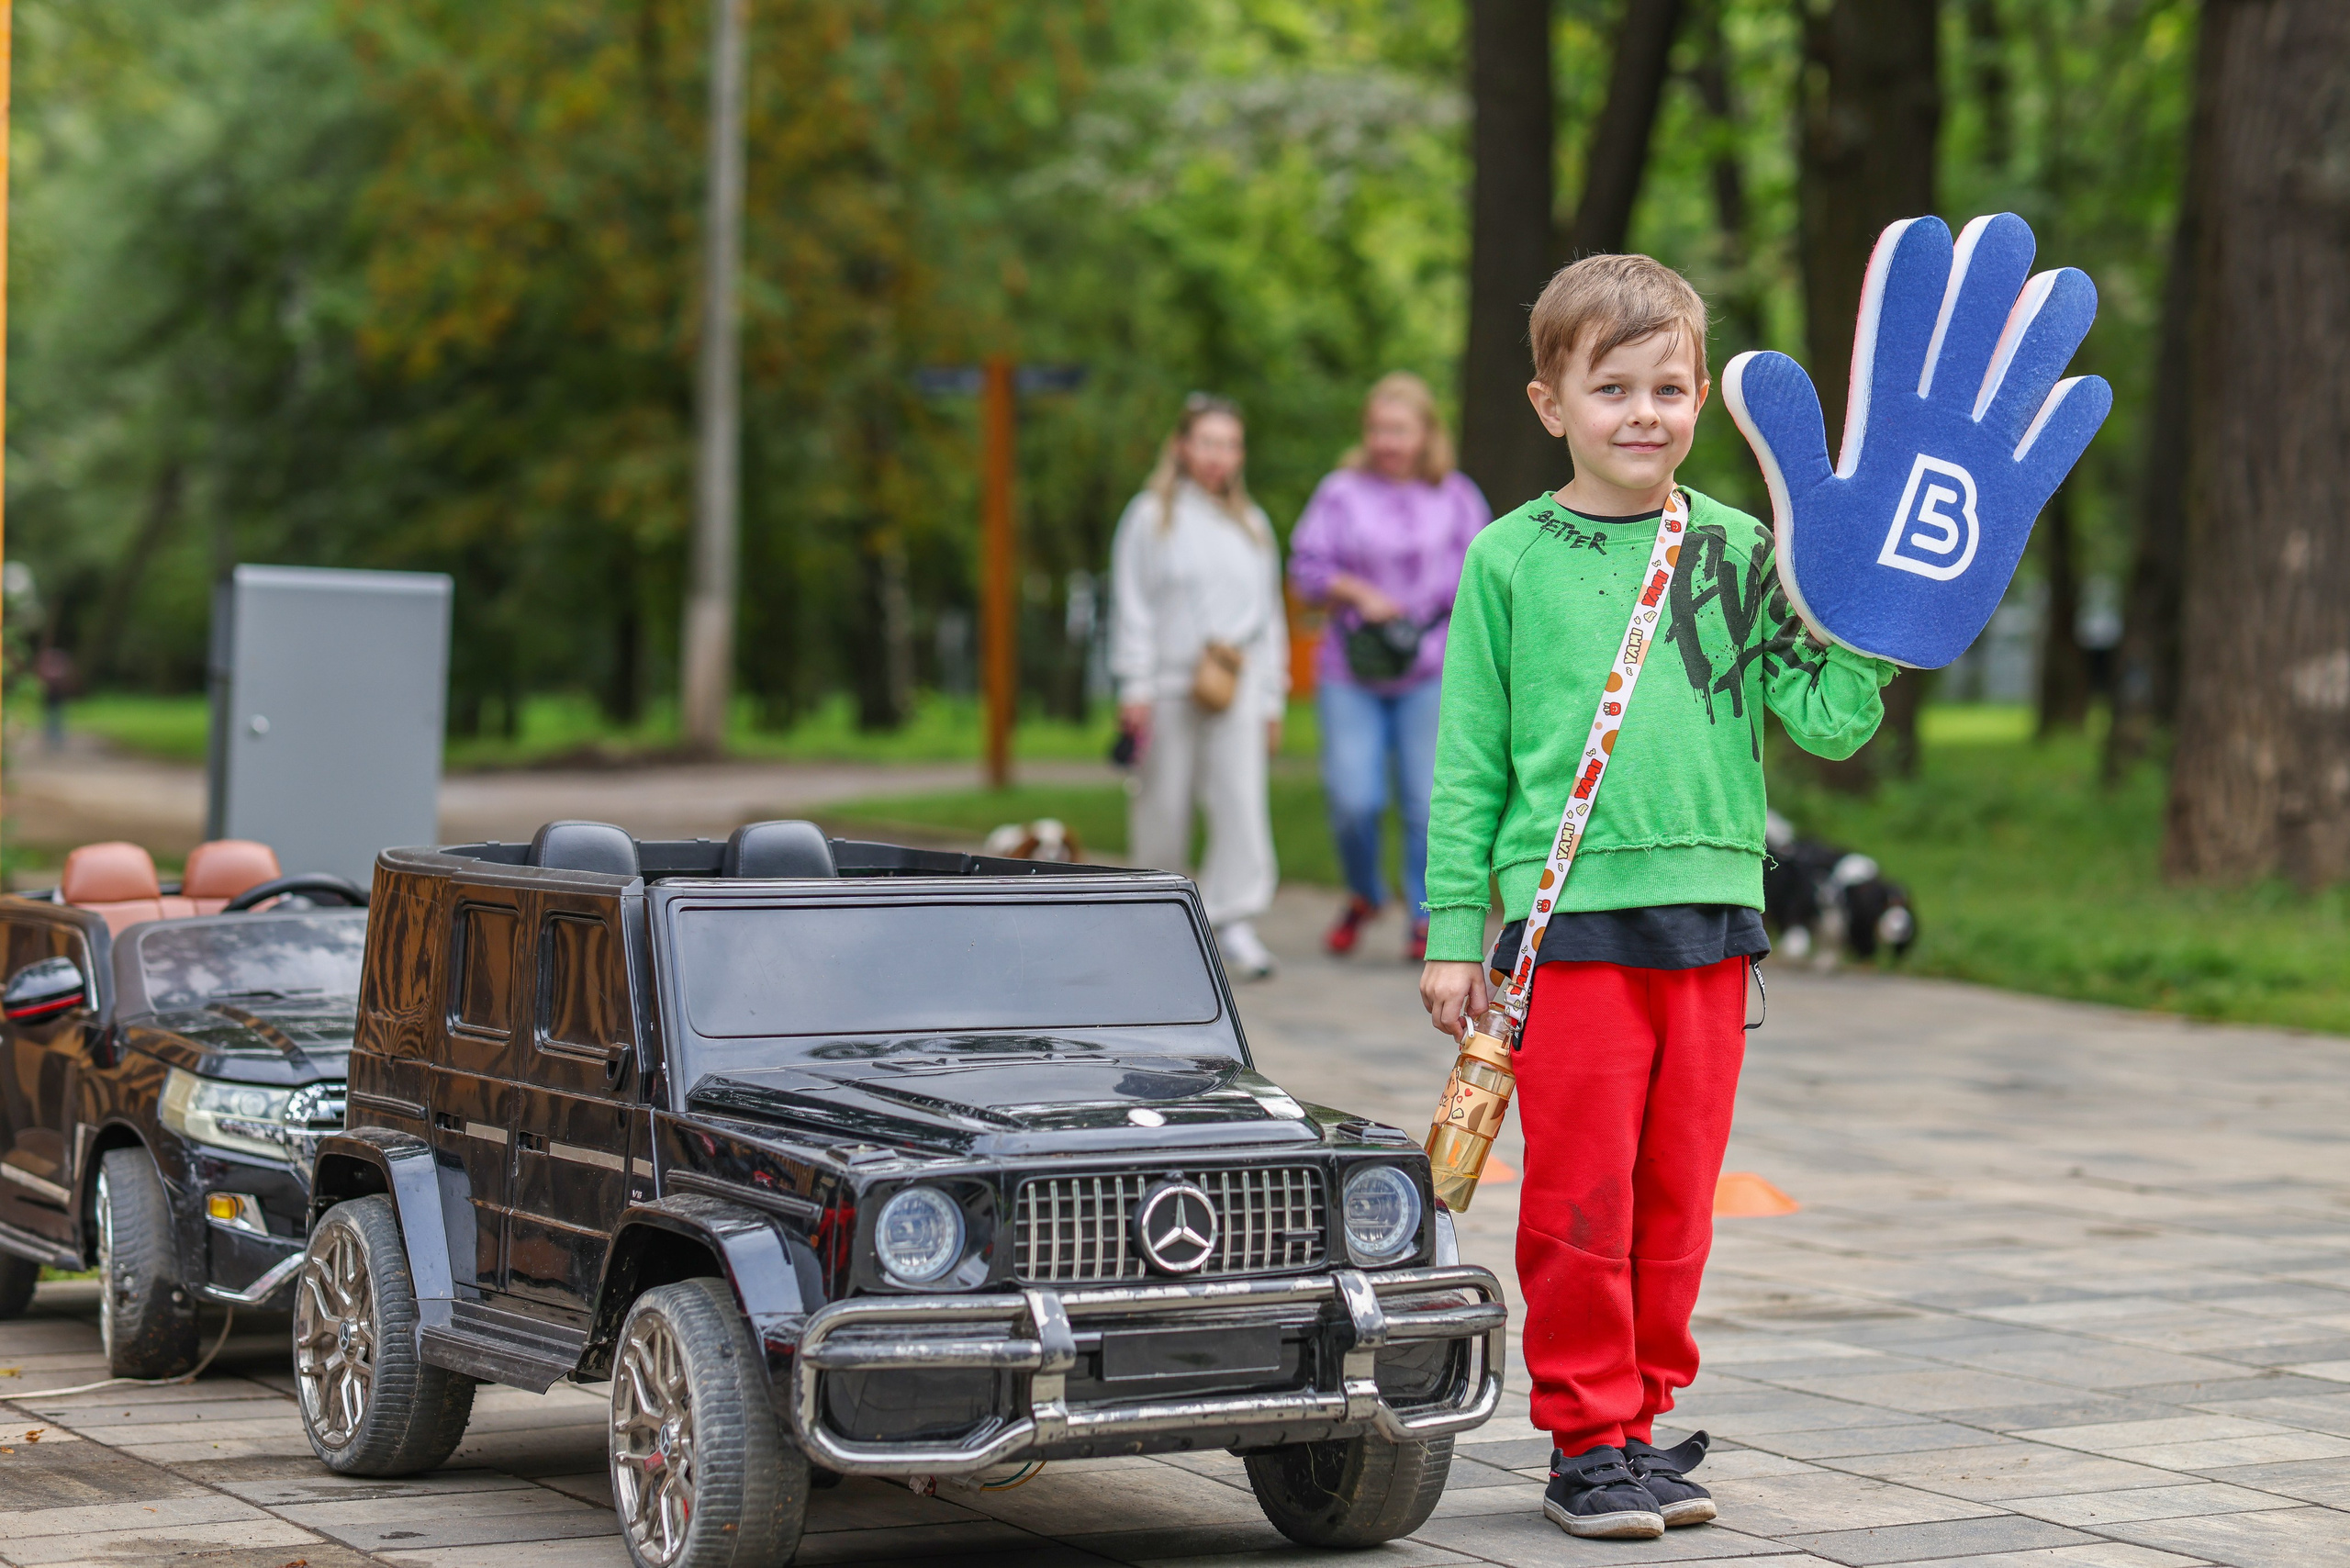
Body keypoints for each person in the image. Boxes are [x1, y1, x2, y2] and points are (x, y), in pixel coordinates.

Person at [1418, 256, 1896, 1540]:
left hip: (1711, 919)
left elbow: (1829, 720)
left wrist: (1869, 615)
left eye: (1670, 387)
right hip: (1564, 928)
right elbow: (1469, 763)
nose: (1645, 412)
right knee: (1580, 1193)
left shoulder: (1745, 547)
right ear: (1549, 402)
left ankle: (1643, 1414)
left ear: (1700, 401)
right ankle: (1586, 1437)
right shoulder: (1507, 560)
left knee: (1676, 1195)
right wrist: (1457, 933)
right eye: (1612, 386)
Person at [1290, 374, 1489, 963]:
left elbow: (1485, 577)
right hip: (1353, 667)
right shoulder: (1339, 492)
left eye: (1399, 430)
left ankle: (1424, 914)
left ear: (1426, 433)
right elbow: (1306, 568)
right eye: (1377, 429)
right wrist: (1356, 591)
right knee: (1354, 798)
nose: (1387, 441)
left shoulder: (1456, 496)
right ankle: (1364, 893)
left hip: (1429, 667)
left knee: (1427, 800)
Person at [1111, 394, 1288, 980]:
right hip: (1167, 684)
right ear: (1183, 446)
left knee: (1240, 801)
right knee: (1163, 802)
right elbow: (1131, 604)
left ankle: (1232, 917)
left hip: (1237, 682)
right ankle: (1156, 920)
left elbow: (1269, 616)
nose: (1220, 457)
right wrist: (1134, 685)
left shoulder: (1252, 524)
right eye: (1208, 442)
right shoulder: (1149, 517)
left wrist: (1272, 696)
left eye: (1231, 444)